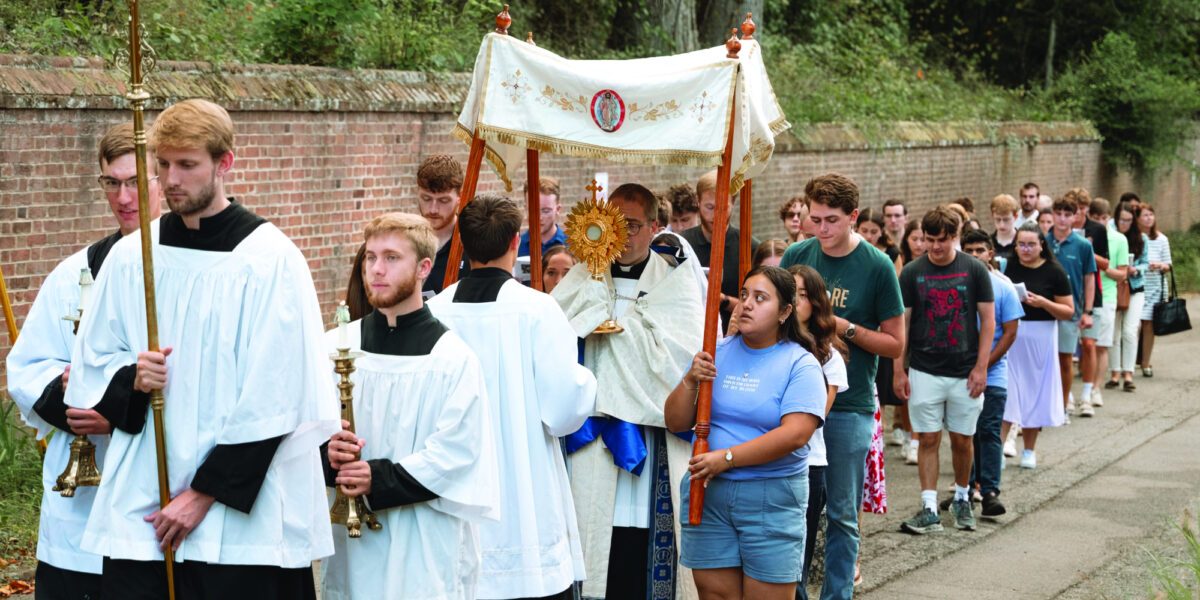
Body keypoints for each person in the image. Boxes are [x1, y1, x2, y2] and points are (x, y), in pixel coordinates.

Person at [65, 99, 339, 598]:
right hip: (142, 509)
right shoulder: (134, 257)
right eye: (163, 165)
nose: (171, 179)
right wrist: (132, 379)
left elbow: (279, 395)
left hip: (241, 520)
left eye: (187, 165)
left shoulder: (270, 260)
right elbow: (90, 371)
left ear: (224, 163)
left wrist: (202, 494)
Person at [6, 122, 164, 599]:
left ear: (164, 180)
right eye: (111, 182)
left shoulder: (189, 272)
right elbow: (28, 366)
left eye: (136, 180)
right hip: (80, 496)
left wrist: (115, 404)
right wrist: (74, 404)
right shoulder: (74, 272)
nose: (123, 196)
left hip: (154, 492)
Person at [322, 212, 499, 600]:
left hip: (423, 541)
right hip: (353, 546)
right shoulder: (336, 346)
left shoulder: (452, 359)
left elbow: (458, 453)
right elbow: (306, 429)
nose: (376, 270)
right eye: (370, 257)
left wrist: (378, 478)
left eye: (391, 258)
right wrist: (326, 453)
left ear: (424, 267)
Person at [427, 195, 596, 600]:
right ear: (513, 244)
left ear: (463, 244)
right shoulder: (538, 310)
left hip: (456, 489)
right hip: (524, 489)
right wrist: (588, 380)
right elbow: (562, 410)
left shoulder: (435, 313)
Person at [552, 182, 705, 600]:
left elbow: (678, 360)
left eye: (632, 225)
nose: (620, 235)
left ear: (655, 226)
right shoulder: (582, 277)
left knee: (647, 550)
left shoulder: (676, 285)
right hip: (591, 440)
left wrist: (608, 333)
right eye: (611, 224)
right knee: (593, 540)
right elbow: (550, 338)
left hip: (654, 439)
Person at [665, 266, 827, 600]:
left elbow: (796, 434)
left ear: (785, 312)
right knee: (715, 595)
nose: (746, 304)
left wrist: (727, 459)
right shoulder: (716, 353)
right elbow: (675, 421)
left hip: (771, 497)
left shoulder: (801, 364)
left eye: (760, 298)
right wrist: (691, 380)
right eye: (744, 295)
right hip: (710, 495)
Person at [779, 173, 905, 600]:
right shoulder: (798, 253)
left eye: (832, 220)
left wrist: (844, 329)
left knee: (843, 514)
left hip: (849, 405)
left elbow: (894, 344)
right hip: (795, 401)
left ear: (853, 216)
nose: (822, 230)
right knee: (798, 510)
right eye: (814, 219)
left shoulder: (877, 265)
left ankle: (837, 594)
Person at [893, 207, 995, 534]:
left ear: (956, 237)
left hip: (965, 370)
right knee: (928, 438)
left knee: (963, 440)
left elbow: (989, 321)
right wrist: (899, 369)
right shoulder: (911, 272)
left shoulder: (975, 270)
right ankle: (927, 506)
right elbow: (902, 324)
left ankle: (963, 497)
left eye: (943, 240)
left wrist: (982, 367)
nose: (935, 247)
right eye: (929, 240)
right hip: (924, 368)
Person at [785, 265, 848, 600]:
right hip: (758, 463)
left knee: (796, 562)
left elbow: (813, 416)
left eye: (804, 294)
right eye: (790, 292)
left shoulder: (828, 354)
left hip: (806, 463)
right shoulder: (762, 344)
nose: (796, 302)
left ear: (817, 303)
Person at [1001, 222, 1075, 469]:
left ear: (1041, 245)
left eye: (1031, 244)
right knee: (1007, 392)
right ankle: (998, 450)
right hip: (1011, 334)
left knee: (1034, 392)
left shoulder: (1054, 271)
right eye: (1021, 244)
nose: (1025, 249)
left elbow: (1067, 311)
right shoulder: (1008, 267)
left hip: (1041, 335)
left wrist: (1044, 303)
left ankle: (1029, 450)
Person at [960, 229, 1022, 517]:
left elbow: (1010, 333)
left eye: (980, 250)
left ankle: (990, 491)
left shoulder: (1002, 286)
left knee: (989, 431)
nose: (975, 256)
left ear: (991, 253)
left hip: (993, 374)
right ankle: (965, 488)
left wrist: (984, 365)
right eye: (969, 250)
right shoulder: (956, 284)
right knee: (964, 432)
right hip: (959, 371)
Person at [681, 170, 760, 326]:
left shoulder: (750, 247)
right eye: (710, 207)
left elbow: (762, 308)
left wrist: (722, 300)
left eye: (723, 208)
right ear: (698, 202)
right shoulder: (683, 245)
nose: (716, 215)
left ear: (733, 204)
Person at [1047, 195, 1097, 418]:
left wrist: (1087, 311)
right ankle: (1046, 404)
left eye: (1068, 215)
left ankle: (1063, 404)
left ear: (1075, 217)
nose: (1062, 219)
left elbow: (1089, 279)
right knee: (1044, 360)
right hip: (1044, 310)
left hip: (1071, 311)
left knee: (1065, 358)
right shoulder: (1042, 241)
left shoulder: (1083, 245)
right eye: (1058, 214)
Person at [1068, 188, 1109, 412]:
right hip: (1068, 295)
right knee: (1065, 350)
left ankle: (1090, 390)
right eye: (1074, 210)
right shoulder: (1060, 231)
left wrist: (1085, 250)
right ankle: (1066, 396)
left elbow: (1105, 264)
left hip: (1093, 293)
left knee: (1090, 343)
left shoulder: (1097, 230)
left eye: (1082, 209)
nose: (1077, 215)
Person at [1087, 198, 1128, 405]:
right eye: (1096, 218)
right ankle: (1087, 387)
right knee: (1087, 346)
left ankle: (1096, 388)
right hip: (1086, 297)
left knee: (1101, 346)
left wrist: (1101, 265)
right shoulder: (1086, 237)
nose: (1100, 222)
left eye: (1104, 218)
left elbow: (1122, 274)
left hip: (1108, 297)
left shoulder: (1119, 239)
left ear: (1109, 218)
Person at [1108, 201, 1146, 391]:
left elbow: (1146, 264)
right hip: (1114, 286)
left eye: (1129, 220)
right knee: (1113, 332)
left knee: (1130, 330)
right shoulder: (1110, 237)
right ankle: (1115, 372)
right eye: (1122, 220)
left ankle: (1128, 373)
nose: (1125, 224)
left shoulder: (1141, 239)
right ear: (1116, 218)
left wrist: (1135, 270)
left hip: (1135, 288)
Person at [418, 154, 471, 293]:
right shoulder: (406, 242)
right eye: (426, 198)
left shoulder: (472, 244)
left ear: (460, 196)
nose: (433, 209)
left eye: (443, 201)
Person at [1138, 203, 1172, 378]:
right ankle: (1129, 362)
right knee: (1134, 325)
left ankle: (1146, 362)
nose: (1149, 218)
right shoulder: (1134, 238)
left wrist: (1160, 265)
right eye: (1145, 215)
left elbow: (1168, 264)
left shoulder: (1161, 239)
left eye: (1151, 214)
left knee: (1149, 325)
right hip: (1138, 284)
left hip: (1156, 286)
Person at [518, 176, 567, 258]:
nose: (539, 217)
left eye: (546, 211)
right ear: (526, 208)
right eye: (533, 210)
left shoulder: (573, 247)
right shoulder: (516, 247)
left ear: (558, 209)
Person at [855, 208, 902, 275]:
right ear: (857, 229)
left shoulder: (892, 253)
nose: (869, 236)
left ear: (881, 231)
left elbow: (896, 282)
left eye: (874, 232)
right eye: (864, 231)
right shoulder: (849, 250)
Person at [990, 193, 1020, 261]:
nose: (1002, 225)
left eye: (1006, 220)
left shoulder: (1022, 242)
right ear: (992, 216)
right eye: (998, 219)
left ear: (1015, 217)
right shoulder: (988, 242)